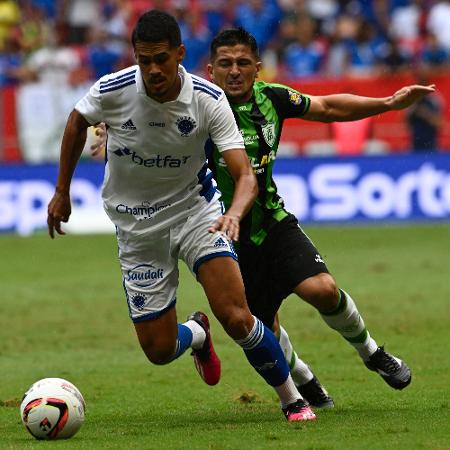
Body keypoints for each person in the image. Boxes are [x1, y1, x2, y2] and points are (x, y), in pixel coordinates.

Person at [46, 10, 317, 422]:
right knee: (157, 349)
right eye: (144, 59)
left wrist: (236, 214)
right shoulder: (113, 90)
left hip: (197, 213)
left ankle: (292, 399)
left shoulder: (209, 100)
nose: (153, 69)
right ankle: (197, 335)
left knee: (237, 315)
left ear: (180, 54)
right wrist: (61, 191)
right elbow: (76, 122)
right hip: (137, 229)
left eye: (161, 59)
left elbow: (245, 175)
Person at [205, 28, 436, 395]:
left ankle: (372, 353)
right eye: (226, 63)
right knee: (260, 325)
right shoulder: (196, 110)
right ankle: (304, 379)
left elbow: (328, 107)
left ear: (258, 68)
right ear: (210, 71)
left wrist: (388, 104)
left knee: (323, 289)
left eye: (243, 63)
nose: (234, 70)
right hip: (221, 238)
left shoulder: (274, 98)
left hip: (271, 221)